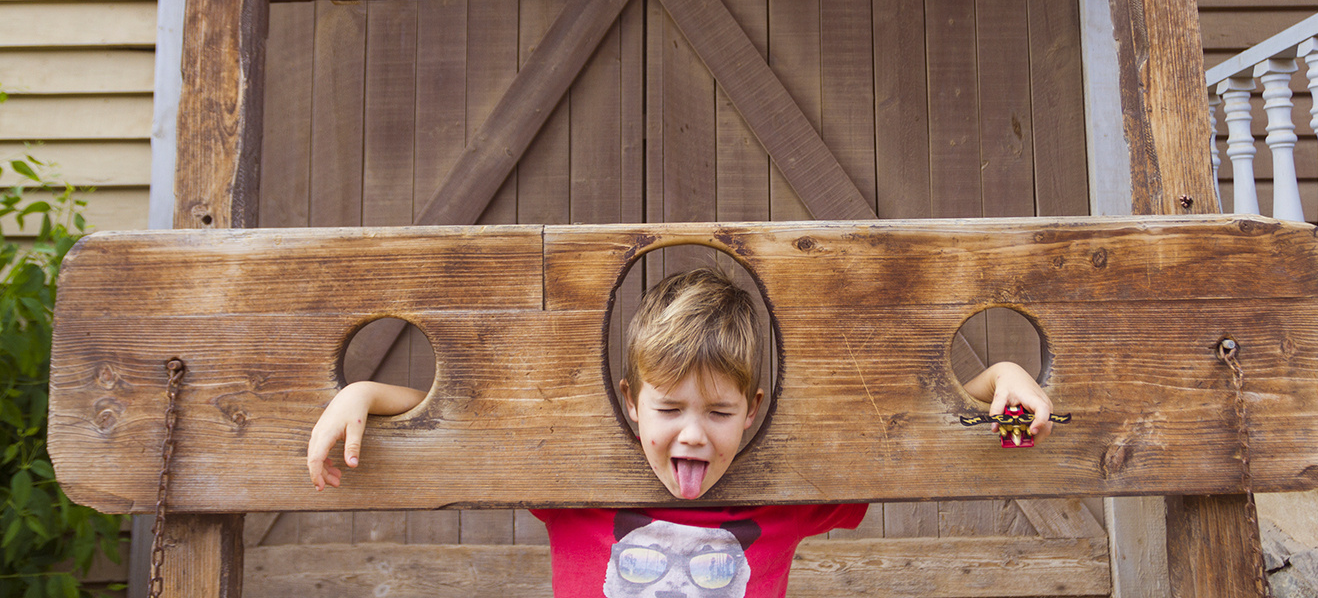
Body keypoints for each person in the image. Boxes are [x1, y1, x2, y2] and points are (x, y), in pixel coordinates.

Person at [307, 267, 1053, 597]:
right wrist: (366, 394)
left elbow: (915, 431)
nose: (693, 435)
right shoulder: (570, 489)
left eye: (719, 413)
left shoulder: (788, 502)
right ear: (628, 405)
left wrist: (1002, 378)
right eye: (670, 410)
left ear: (755, 411)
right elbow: (460, 425)